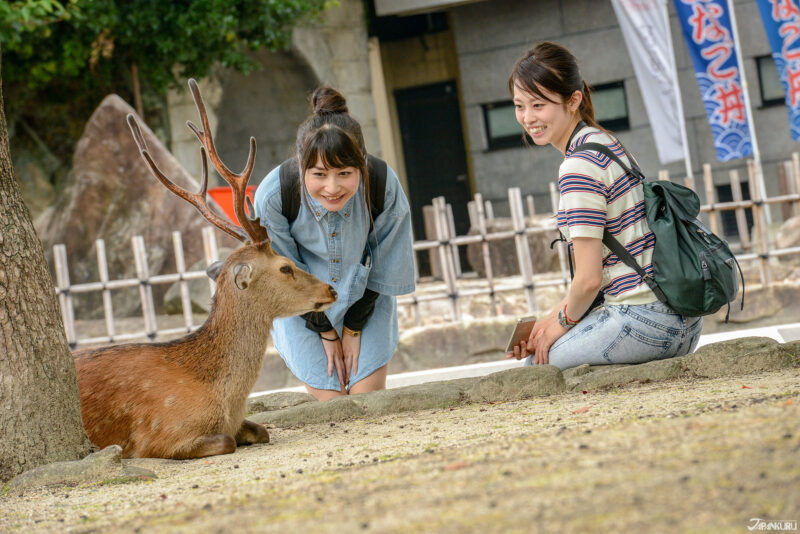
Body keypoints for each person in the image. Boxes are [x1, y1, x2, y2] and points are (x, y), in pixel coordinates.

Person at [505, 42, 702, 370]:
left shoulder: (578, 166)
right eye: (519, 106)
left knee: (535, 372)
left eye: (538, 105)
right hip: (683, 319)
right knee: (543, 343)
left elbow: (589, 281)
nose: (528, 118)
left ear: (573, 100)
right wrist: (546, 324)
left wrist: (560, 325)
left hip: (643, 321)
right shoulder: (607, 144)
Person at [254, 87, 415, 400]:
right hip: (300, 306)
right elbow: (279, 273)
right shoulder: (275, 195)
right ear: (301, 165)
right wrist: (326, 331)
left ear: (362, 164)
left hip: (366, 299)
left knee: (365, 403)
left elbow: (387, 262)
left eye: (345, 172)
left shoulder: (382, 183)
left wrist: (353, 328)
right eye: (319, 174)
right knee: (333, 403)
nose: (332, 187)